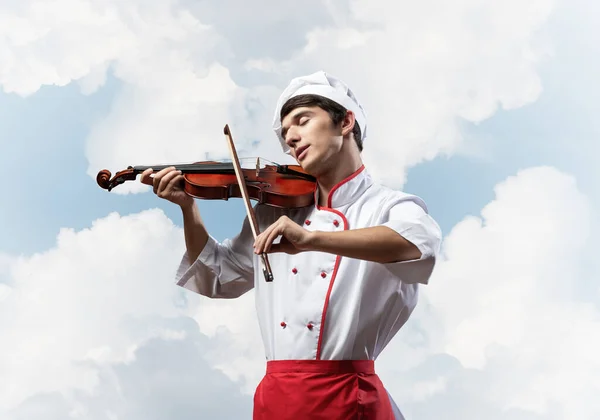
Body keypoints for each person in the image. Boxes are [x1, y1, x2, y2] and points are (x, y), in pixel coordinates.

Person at [141, 71, 442, 419]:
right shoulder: (273, 211)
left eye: (302, 120)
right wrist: (188, 208)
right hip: (277, 397)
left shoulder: (388, 206)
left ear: (345, 122)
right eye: (285, 134)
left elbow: (415, 245)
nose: (291, 138)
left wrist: (312, 240)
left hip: (348, 398)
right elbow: (217, 276)